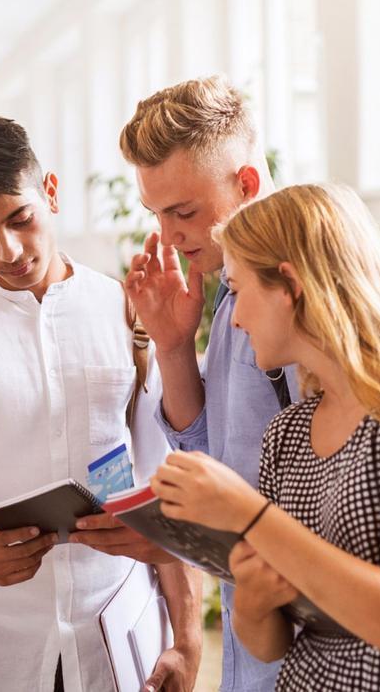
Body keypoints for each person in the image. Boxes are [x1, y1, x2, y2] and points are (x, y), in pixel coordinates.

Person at [150, 183, 380, 690]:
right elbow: (273, 642)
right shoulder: (289, 432)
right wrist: (256, 605)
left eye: (237, 291)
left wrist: (248, 515)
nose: (233, 317)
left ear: (290, 285)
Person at [0, 112, 200, 692]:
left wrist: (185, 637)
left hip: (118, 641)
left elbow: (162, 481)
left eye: (20, 219)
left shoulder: (126, 310)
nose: (7, 249)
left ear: (48, 192)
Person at [119, 76, 292, 691]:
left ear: (246, 183)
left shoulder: (311, 298)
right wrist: (171, 344)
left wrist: (177, 541)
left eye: (183, 211)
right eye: (157, 215)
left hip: (312, 642)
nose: (169, 236)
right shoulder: (229, 290)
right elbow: (214, 452)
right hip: (254, 637)